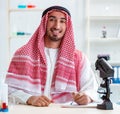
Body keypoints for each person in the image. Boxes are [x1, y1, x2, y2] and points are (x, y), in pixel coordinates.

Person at [5, 6, 98, 107]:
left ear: (68, 26)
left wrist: (87, 97)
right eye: (52, 20)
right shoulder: (23, 54)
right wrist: (29, 98)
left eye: (62, 21)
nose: (57, 26)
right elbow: (9, 89)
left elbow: (90, 88)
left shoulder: (79, 58)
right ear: (44, 23)